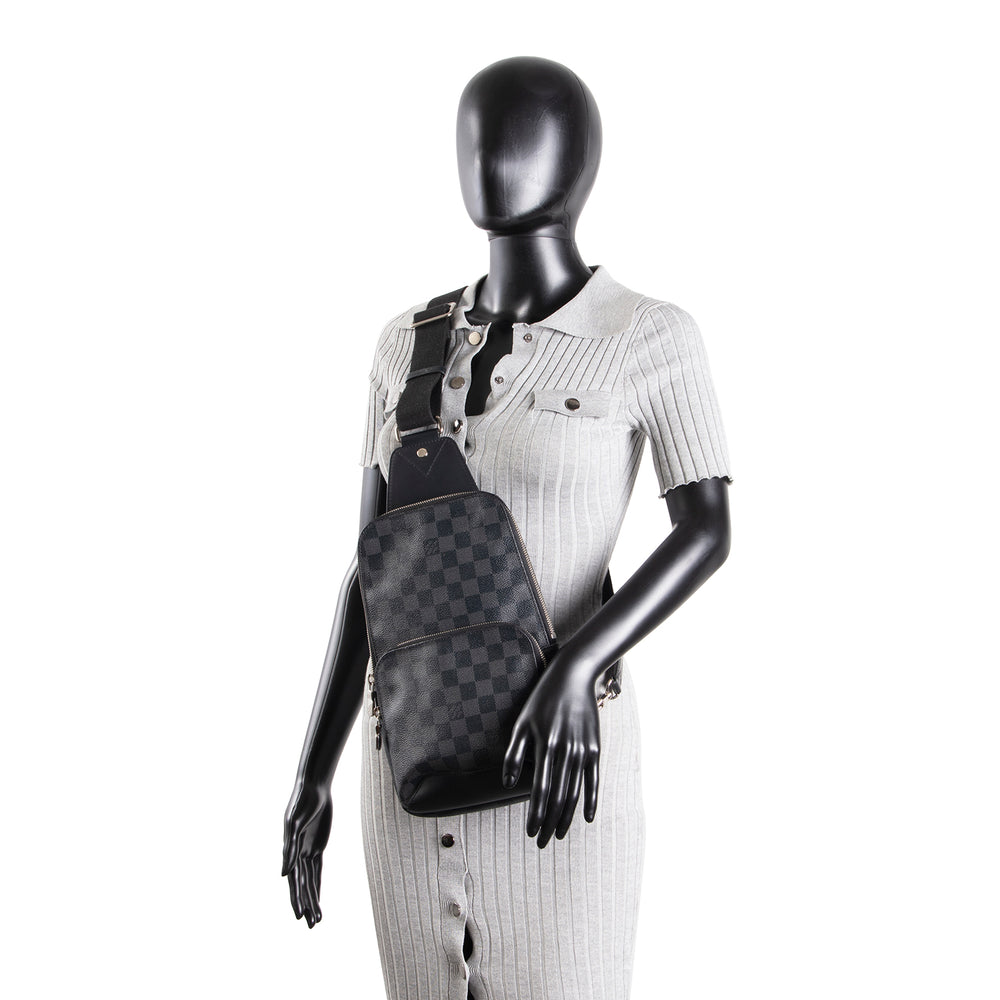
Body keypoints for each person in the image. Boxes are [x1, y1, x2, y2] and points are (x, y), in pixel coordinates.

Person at [283, 56, 733, 1000]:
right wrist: (313, 771)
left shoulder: (648, 338)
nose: (491, 157)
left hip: (557, 762)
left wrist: (580, 659)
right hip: (404, 775)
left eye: (518, 136)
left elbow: (706, 529)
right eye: (474, 137)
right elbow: (372, 570)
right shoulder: (402, 346)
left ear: (579, 161)